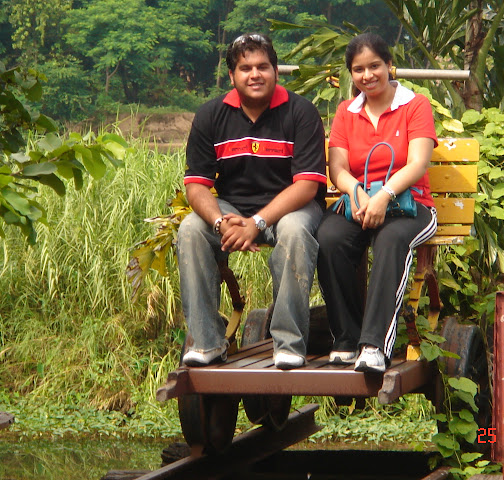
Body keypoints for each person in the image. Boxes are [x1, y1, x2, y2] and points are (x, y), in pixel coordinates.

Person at [178, 33, 327, 370]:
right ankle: (206, 343)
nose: (255, 74)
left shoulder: (301, 112)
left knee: (294, 231)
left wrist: (256, 223)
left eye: (263, 66)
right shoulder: (210, 116)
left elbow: (305, 187)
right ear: (232, 77)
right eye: (245, 68)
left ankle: (288, 344)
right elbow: (197, 188)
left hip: (292, 208)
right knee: (190, 229)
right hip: (232, 208)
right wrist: (220, 222)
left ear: (276, 70)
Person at [316, 33, 438, 373]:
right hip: (360, 201)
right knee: (329, 238)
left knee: (390, 239)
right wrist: (359, 195)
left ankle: (374, 345)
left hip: (412, 205)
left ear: (388, 65)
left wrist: (383, 196)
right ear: (351, 74)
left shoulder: (415, 105)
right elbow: (337, 167)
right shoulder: (346, 112)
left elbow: (417, 164)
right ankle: (346, 338)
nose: (367, 75)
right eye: (358, 70)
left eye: (374, 66)